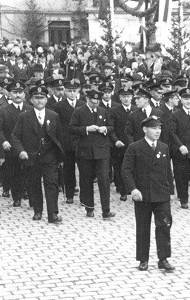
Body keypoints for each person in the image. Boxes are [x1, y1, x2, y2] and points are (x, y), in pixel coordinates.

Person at [122, 116, 175, 272]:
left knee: (164, 226)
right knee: (143, 227)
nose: (157, 131)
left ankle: (163, 258)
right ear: (145, 129)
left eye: (159, 128)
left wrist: (171, 191)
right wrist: (133, 189)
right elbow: (126, 170)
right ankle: (143, 259)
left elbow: (168, 171)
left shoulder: (164, 147)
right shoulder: (135, 147)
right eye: (154, 128)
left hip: (161, 193)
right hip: (143, 194)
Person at [10, 84, 64, 223]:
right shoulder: (24, 116)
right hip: (32, 157)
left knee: (51, 184)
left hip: (50, 156)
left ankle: (52, 214)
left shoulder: (53, 115)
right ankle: (38, 211)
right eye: (36, 98)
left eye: (42, 98)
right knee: (34, 184)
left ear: (46, 100)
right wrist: (21, 150)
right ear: (31, 100)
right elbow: (15, 136)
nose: (39, 101)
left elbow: (59, 137)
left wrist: (59, 157)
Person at [70, 89, 115, 219]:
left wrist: (105, 129)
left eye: (97, 102)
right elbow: (71, 128)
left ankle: (106, 210)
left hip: (101, 151)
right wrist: (86, 129)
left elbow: (112, 126)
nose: (95, 104)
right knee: (86, 179)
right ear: (87, 100)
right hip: (85, 151)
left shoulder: (103, 111)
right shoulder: (79, 111)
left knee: (104, 179)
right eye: (92, 102)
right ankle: (89, 208)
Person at [0, 80, 32, 207]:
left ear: (24, 94)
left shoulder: (30, 109)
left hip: (27, 146)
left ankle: (27, 192)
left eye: (20, 92)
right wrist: (4, 141)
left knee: (28, 171)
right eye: (15, 92)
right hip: (11, 147)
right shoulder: (3, 110)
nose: (18, 95)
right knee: (15, 172)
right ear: (10, 94)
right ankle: (16, 197)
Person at [108, 88, 134, 201]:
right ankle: (122, 190)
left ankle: (132, 189)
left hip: (133, 145)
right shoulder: (114, 111)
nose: (126, 99)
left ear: (132, 97)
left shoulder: (136, 110)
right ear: (120, 98)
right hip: (120, 145)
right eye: (124, 96)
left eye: (128, 96)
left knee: (133, 168)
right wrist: (116, 140)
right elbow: (111, 128)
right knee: (119, 168)